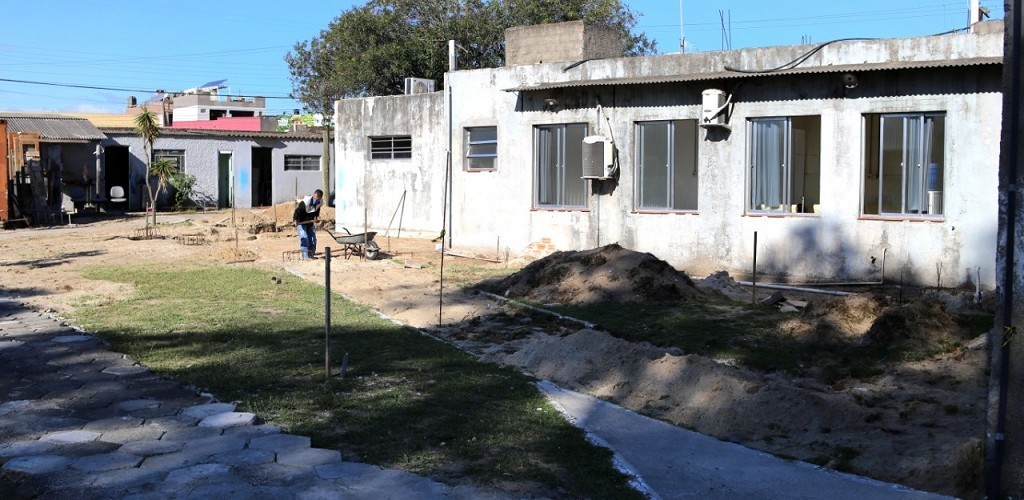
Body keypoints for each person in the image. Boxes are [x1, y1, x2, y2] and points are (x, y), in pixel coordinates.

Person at [293, 189, 323, 259]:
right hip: (301, 222)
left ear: (320, 198)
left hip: (310, 222)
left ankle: (311, 255)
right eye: (315, 198)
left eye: (317, 199)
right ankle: (305, 257)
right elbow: (297, 211)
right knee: (304, 238)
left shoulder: (320, 202)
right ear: (313, 195)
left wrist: (316, 217)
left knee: (313, 240)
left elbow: (317, 210)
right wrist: (295, 220)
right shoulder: (305, 202)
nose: (315, 200)